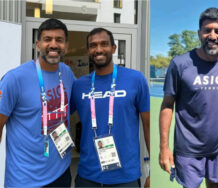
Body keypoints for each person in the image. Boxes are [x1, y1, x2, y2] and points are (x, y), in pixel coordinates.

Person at [159, 7, 218, 188]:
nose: (212, 35)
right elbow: (167, 105)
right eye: (207, 30)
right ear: (199, 33)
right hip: (188, 150)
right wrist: (164, 148)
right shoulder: (180, 64)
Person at [71, 27, 150, 187]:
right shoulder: (79, 85)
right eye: (93, 45)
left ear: (113, 48)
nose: (98, 49)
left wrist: (152, 171)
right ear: (88, 51)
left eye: (104, 44)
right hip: (87, 177)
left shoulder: (135, 79)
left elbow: (148, 125)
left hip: (125, 178)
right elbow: (59, 118)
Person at [0, 18, 75, 187]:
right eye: (47, 39)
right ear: (38, 45)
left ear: (66, 46)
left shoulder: (67, 73)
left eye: (59, 40)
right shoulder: (15, 79)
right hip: (24, 179)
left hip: (61, 173)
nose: (53, 45)